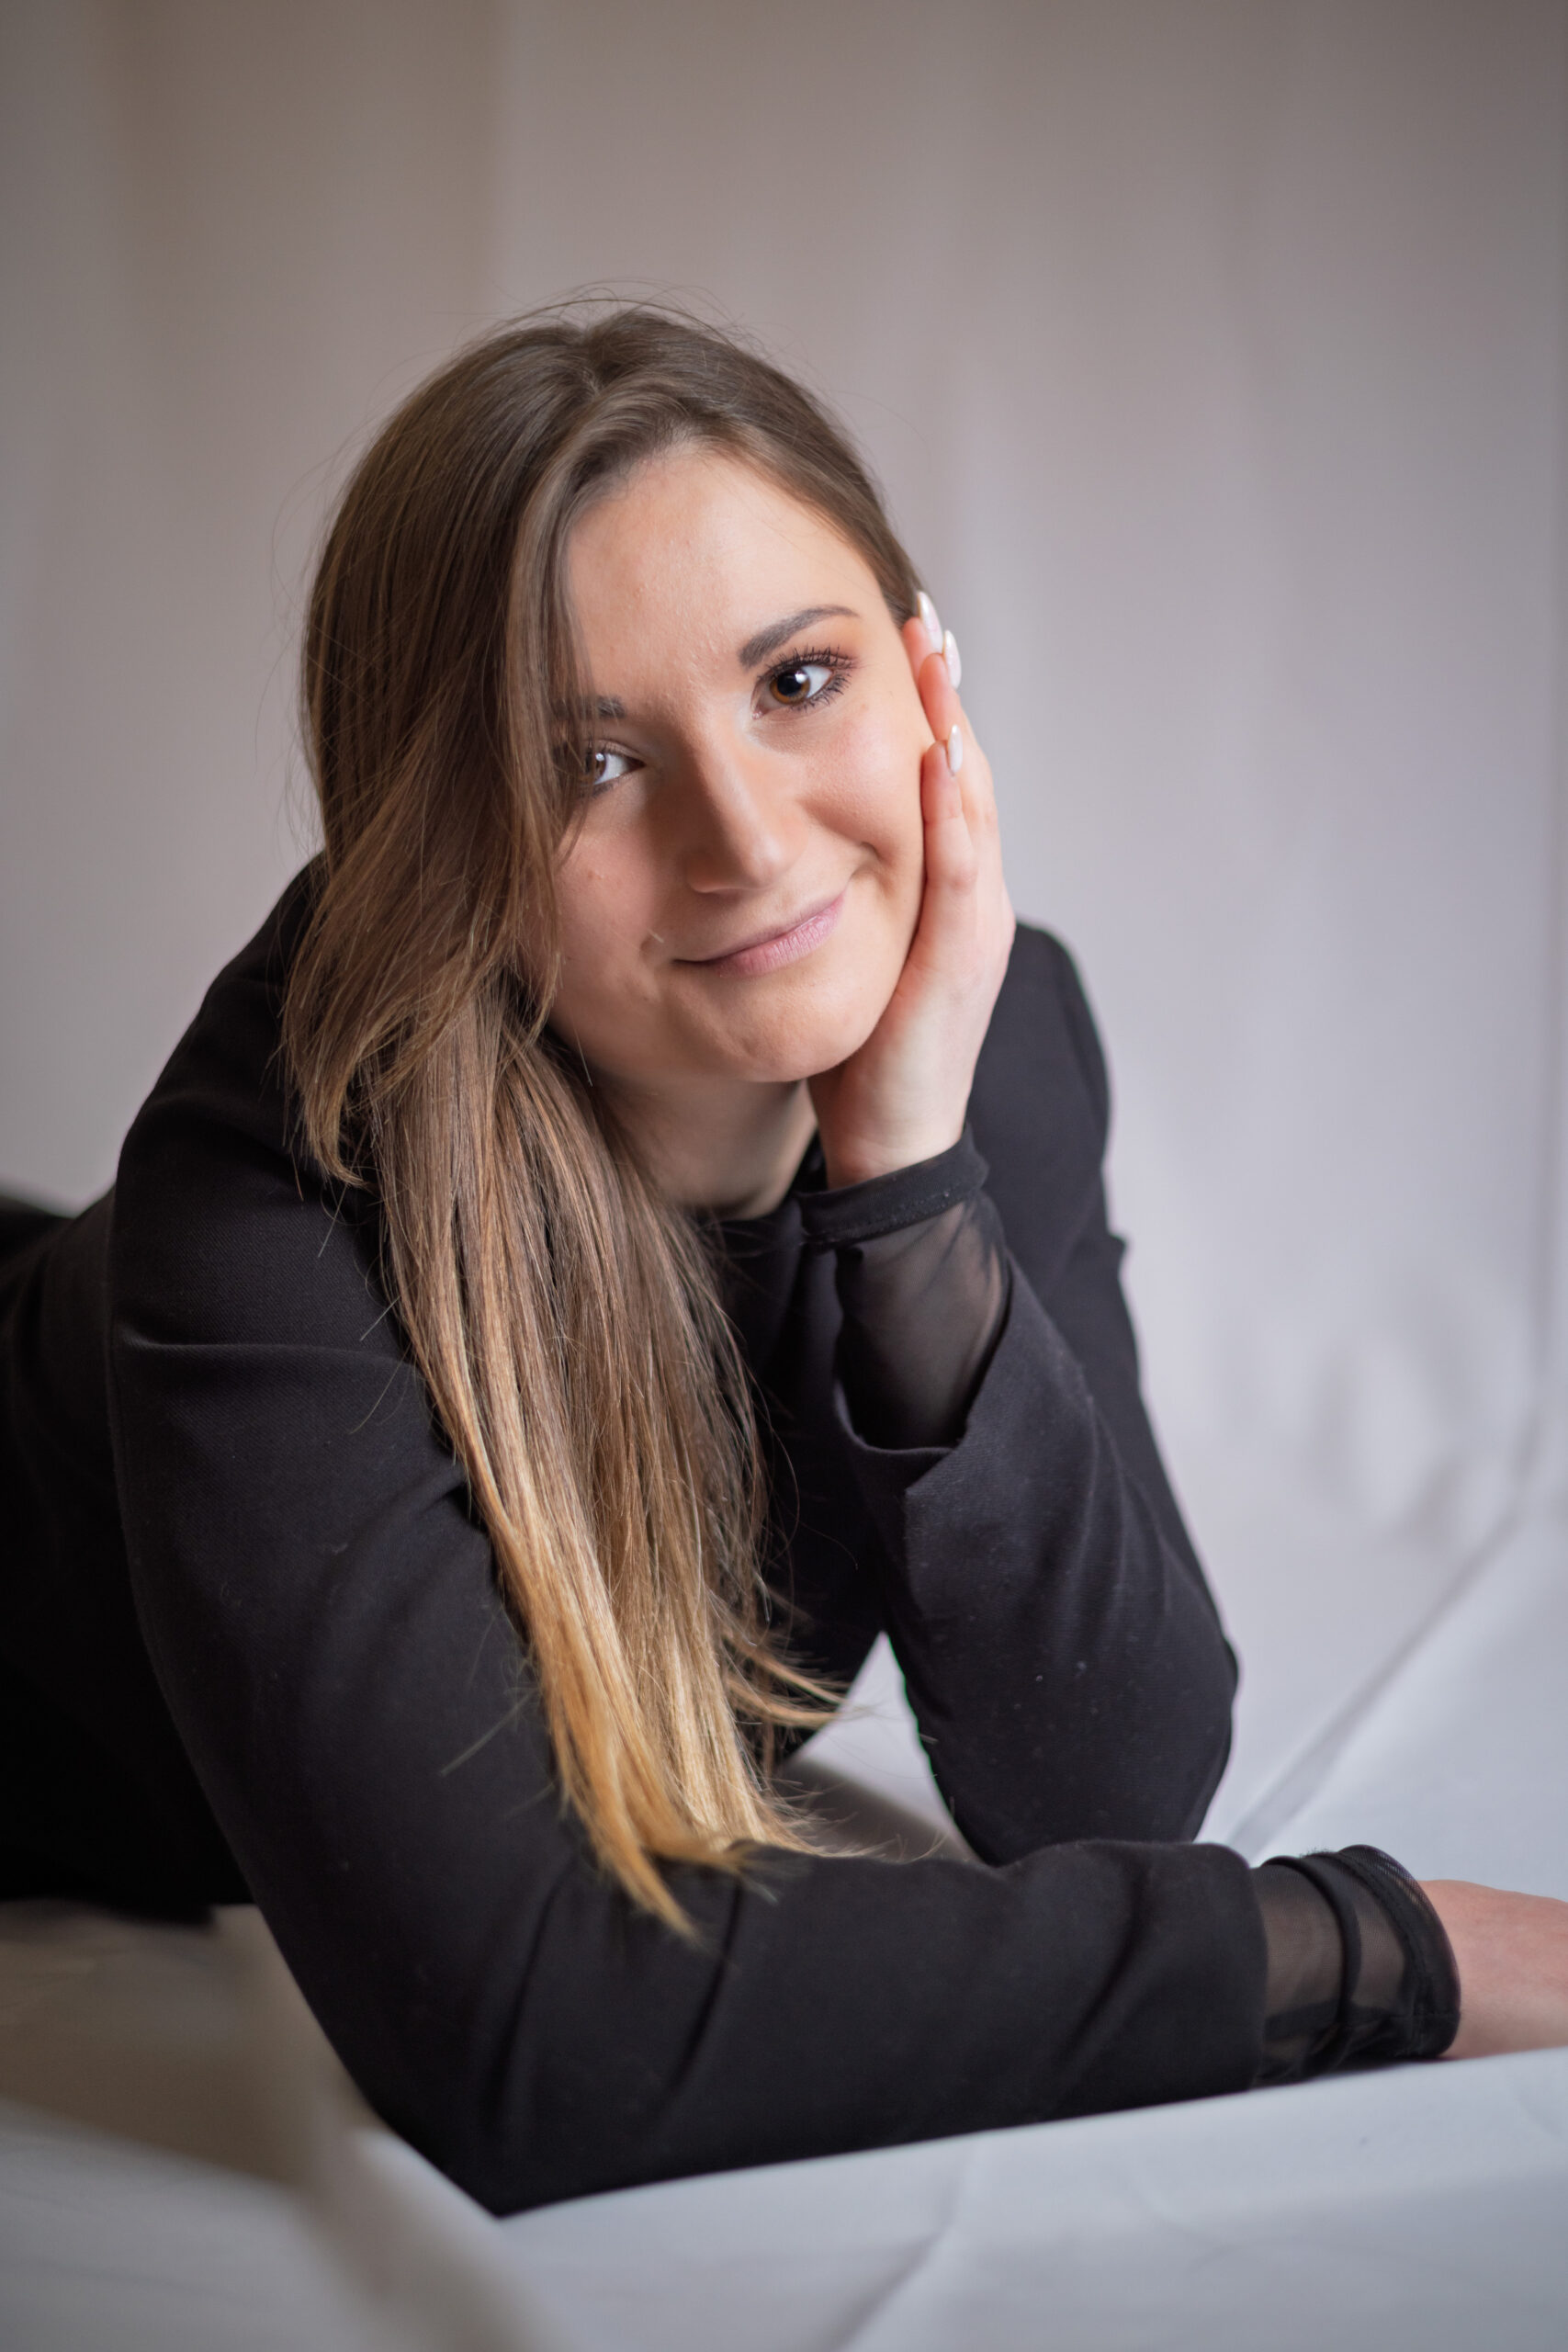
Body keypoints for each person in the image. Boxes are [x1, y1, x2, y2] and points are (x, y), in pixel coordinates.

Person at [2, 309, 1564, 2217]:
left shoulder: (989, 1037)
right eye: (589, 763)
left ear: (927, 674)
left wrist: (903, 1181)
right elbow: (530, 2035)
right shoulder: (277, 1189)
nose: (743, 840)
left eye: (798, 679)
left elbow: (1109, 1781)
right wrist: (1374, 1950)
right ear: (435, 842)